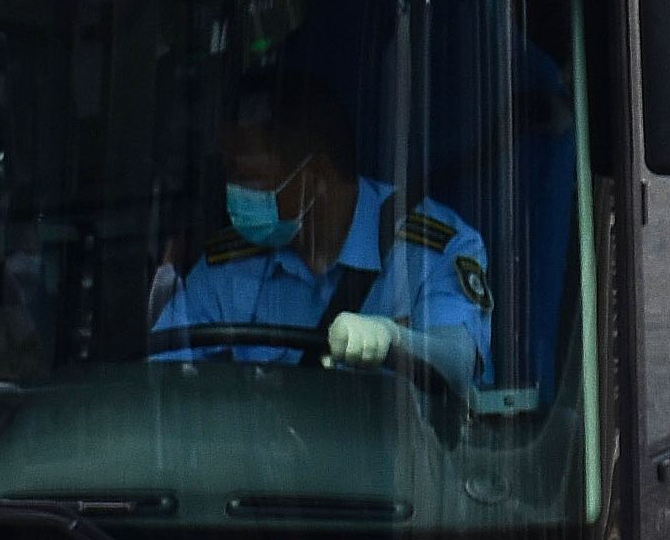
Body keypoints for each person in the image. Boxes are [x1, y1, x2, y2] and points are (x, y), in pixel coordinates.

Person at [145, 68, 496, 389]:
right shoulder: (231, 262)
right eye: (229, 175)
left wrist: (393, 340)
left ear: (315, 178)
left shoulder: (430, 249)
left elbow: (460, 362)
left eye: (248, 178)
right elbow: (166, 375)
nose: (232, 194)